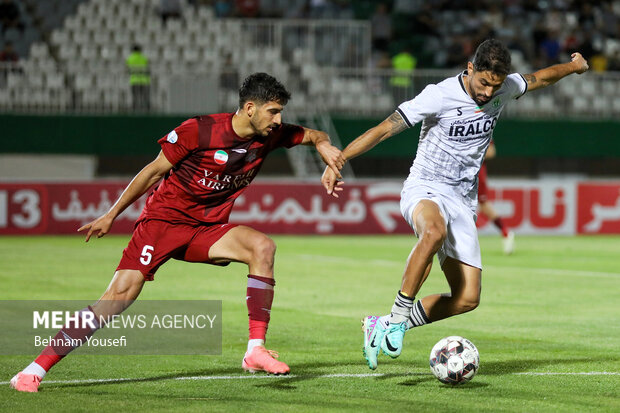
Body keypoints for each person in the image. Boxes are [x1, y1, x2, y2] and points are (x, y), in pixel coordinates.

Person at [11, 72, 345, 392]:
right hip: (163, 224)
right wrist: (112, 214)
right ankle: (34, 370)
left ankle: (255, 350)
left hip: (206, 229)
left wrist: (325, 148)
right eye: (273, 112)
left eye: (280, 113)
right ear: (249, 108)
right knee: (117, 299)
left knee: (262, 247)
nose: (277, 120)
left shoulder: (271, 134)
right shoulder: (198, 131)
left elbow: (315, 135)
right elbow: (154, 171)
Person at [322, 39, 588, 370]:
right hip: (426, 187)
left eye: (496, 86)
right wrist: (340, 159)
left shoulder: (504, 87)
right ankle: (398, 316)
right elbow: (385, 129)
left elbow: (541, 77)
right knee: (432, 232)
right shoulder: (439, 94)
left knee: (467, 298)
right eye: (484, 83)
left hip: (463, 199)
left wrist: (575, 67)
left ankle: (388, 323)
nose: (489, 93)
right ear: (471, 68)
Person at [478, 141, 514, 255]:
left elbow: (491, 152)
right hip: (456, 170)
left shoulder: (481, 125)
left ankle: (505, 232)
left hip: (476, 170)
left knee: (483, 204)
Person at [126, 45, 151, 111]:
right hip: (144, 80)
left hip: (134, 80)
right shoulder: (144, 58)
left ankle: (135, 109)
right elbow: (148, 67)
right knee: (145, 97)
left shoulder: (130, 58)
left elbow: (127, 69)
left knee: (135, 97)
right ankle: (147, 110)